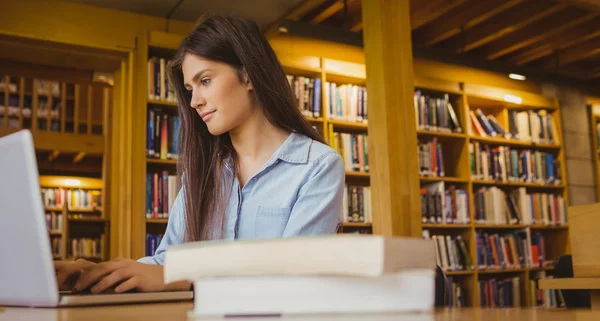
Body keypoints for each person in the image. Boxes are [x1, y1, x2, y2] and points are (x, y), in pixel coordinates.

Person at [54, 14, 345, 294]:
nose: (194, 101)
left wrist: (185, 279)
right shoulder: (203, 175)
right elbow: (166, 264)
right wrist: (93, 275)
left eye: (205, 81)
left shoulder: (317, 166)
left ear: (248, 75)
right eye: (190, 88)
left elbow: (295, 278)